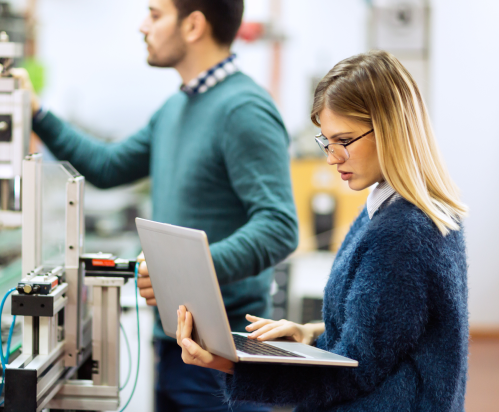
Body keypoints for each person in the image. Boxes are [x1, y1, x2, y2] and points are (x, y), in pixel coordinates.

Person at [12, 0, 299, 410]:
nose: (143, 26)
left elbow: (278, 226)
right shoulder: (175, 108)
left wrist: (179, 272)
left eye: (155, 14)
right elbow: (107, 166)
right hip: (174, 346)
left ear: (193, 25)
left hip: (224, 358)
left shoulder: (244, 109)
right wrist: (36, 110)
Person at [175, 50, 469, 412]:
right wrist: (310, 332)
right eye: (326, 141)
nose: (332, 157)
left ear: (391, 128)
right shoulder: (401, 211)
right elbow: (388, 336)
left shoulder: (403, 234)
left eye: (344, 140)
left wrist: (225, 363)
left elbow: (353, 373)